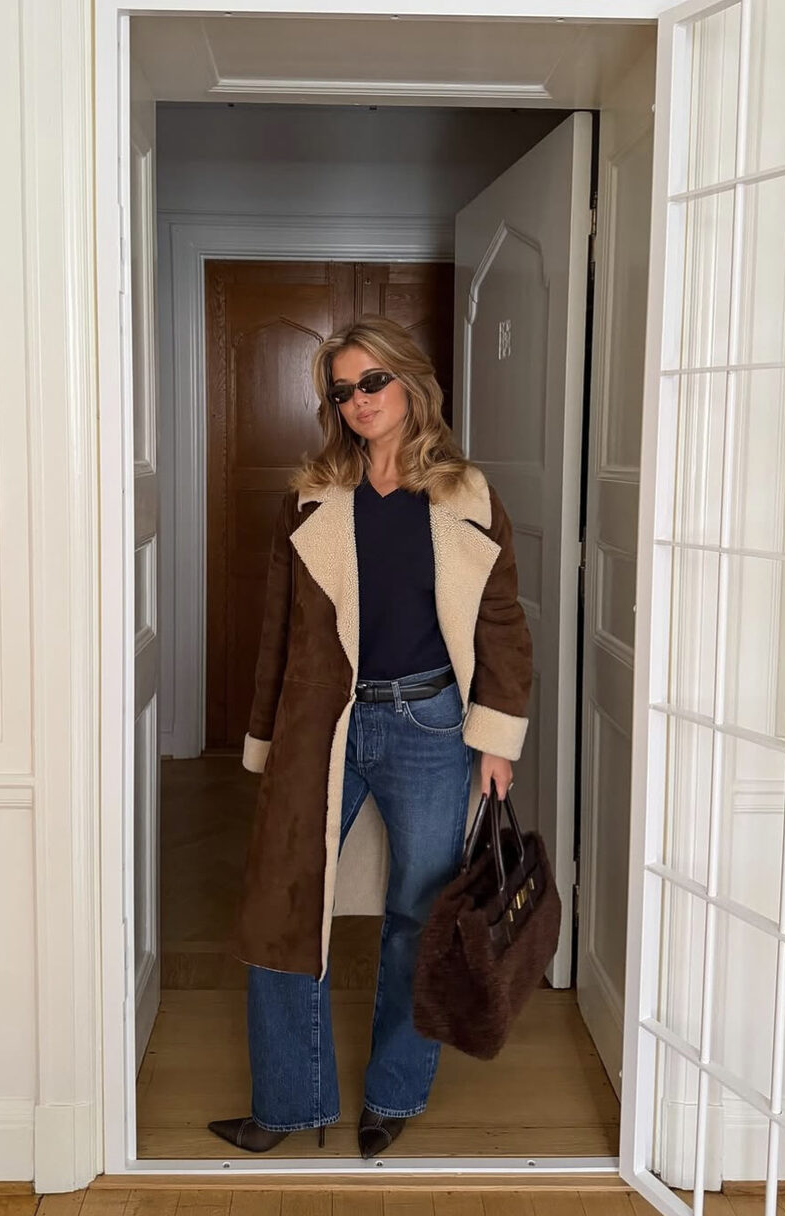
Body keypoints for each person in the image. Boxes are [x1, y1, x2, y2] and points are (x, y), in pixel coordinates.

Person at [209, 315, 533, 1159]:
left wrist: (496, 740)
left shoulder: (465, 494)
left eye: (372, 381)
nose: (358, 400)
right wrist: (264, 735)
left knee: (417, 918)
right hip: (320, 722)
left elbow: (500, 622)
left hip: (431, 723)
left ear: (410, 382)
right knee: (281, 906)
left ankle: (393, 1095)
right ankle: (287, 1103)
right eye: (342, 390)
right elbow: (279, 629)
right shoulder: (311, 497)